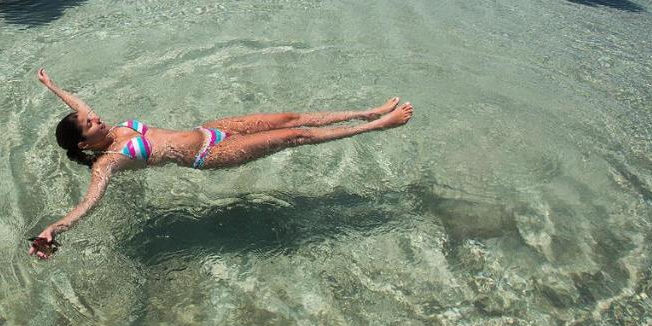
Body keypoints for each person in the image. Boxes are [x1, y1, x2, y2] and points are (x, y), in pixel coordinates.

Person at [29, 68, 414, 259]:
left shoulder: (110, 131)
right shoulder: (106, 162)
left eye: (93, 115)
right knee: (296, 137)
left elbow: (78, 106)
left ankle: (367, 112)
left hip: (210, 130)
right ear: (85, 142)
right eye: (90, 123)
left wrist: (52, 87)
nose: (96, 116)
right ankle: (381, 125)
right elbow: (88, 205)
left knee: (289, 118)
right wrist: (52, 229)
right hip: (207, 154)